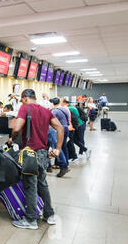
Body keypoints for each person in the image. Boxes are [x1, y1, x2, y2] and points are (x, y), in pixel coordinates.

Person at [7, 89, 63, 229]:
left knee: (30, 186)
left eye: (21, 99)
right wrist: (58, 149)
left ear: (25, 98)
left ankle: (31, 220)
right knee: (42, 184)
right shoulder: (45, 110)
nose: (22, 102)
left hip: (30, 154)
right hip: (43, 153)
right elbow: (60, 128)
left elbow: (17, 128)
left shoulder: (25, 108)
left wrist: (12, 139)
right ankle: (50, 215)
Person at [50, 98, 71, 177]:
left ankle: (63, 165)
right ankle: (66, 163)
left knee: (58, 147)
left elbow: (51, 121)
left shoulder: (54, 111)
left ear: (53, 103)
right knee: (64, 146)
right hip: (66, 128)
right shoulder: (65, 109)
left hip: (59, 130)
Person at [61, 99, 78, 163]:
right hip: (70, 128)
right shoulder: (67, 108)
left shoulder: (65, 108)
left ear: (64, 102)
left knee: (70, 143)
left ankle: (74, 156)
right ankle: (71, 156)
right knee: (69, 143)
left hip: (69, 128)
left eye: (61, 101)